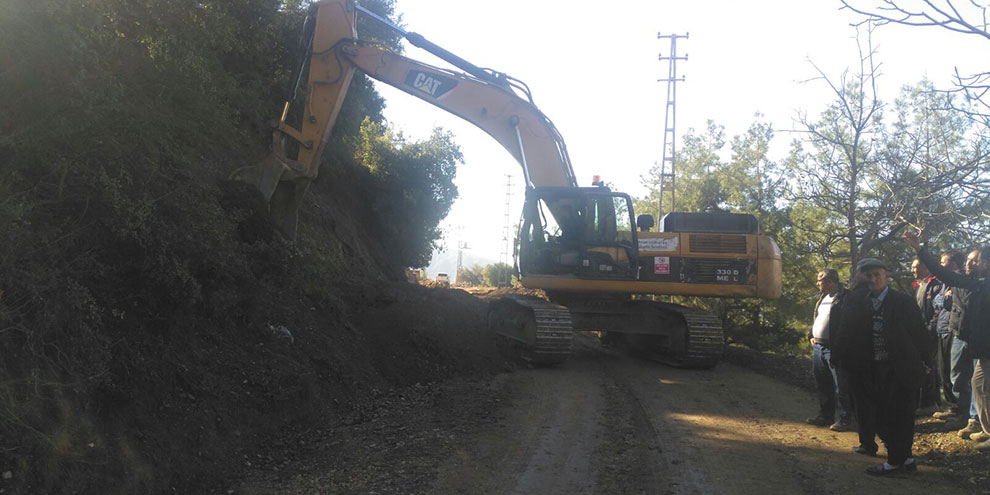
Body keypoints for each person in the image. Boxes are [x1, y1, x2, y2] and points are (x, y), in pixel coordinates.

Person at [832, 257, 932, 475]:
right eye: (869, 276)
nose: (873, 279)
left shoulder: (902, 301)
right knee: (881, 415)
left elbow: (920, 334)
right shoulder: (863, 301)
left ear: (887, 276)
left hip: (900, 368)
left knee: (899, 416)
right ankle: (905, 459)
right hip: (874, 368)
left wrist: (927, 363)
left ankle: (895, 462)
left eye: (877, 275)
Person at [904, 232, 990, 451]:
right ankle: (985, 428)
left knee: (983, 386)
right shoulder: (977, 283)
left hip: (985, 347)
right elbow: (946, 274)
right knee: (977, 384)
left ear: (986, 264)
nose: (971, 264)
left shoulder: (984, 285)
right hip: (980, 347)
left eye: (976, 261)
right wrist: (920, 250)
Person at [806, 268, 854, 431]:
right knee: (822, 383)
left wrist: (841, 345)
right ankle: (825, 415)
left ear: (830, 281)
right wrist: (811, 335)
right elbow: (818, 318)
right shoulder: (823, 298)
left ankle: (845, 419)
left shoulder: (846, 297)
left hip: (835, 348)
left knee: (841, 385)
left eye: (820, 280)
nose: (817, 283)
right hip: (818, 347)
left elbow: (848, 324)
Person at [930, 250, 965, 420]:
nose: (940, 266)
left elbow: (954, 305)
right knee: (943, 370)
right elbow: (939, 307)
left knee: (954, 372)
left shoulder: (958, 282)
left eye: (942, 263)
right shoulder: (943, 285)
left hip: (952, 331)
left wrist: (947, 300)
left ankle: (960, 409)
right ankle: (951, 406)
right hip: (941, 330)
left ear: (953, 264)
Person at [911, 257, 942, 415]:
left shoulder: (935, 284)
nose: (912, 270)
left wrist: (930, 329)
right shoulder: (919, 285)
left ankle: (931, 402)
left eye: (915, 267)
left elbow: (938, 310)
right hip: (920, 333)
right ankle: (926, 402)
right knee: (925, 367)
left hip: (932, 333)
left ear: (925, 267)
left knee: (931, 367)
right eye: (912, 267)